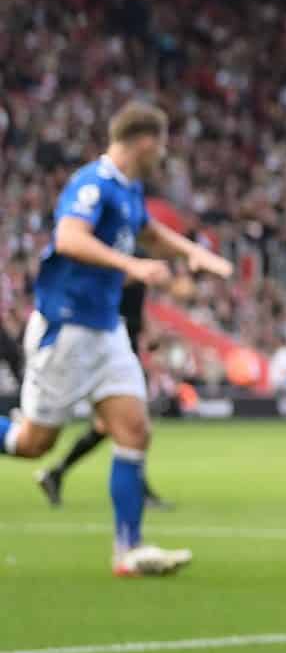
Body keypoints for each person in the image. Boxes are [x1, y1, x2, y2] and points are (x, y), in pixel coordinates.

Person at [0, 101, 232, 576]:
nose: (163, 153)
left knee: (133, 430)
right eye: (160, 142)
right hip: (66, 327)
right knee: (32, 443)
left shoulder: (129, 191)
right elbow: (68, 238)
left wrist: (193, 254)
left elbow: (147, 232)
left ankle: (128, 551)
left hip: (105, 330)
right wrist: (131, 266)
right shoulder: (93, 183)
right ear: (142, 140)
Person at [35, 273, 172, 511]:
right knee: (34, 439)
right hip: (105, 350)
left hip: (120, 348)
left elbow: (134, 307)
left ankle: (57, 473)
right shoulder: (122, 258)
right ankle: (137, 492)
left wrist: (147, 330)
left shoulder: (134, 260)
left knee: (113, 426)